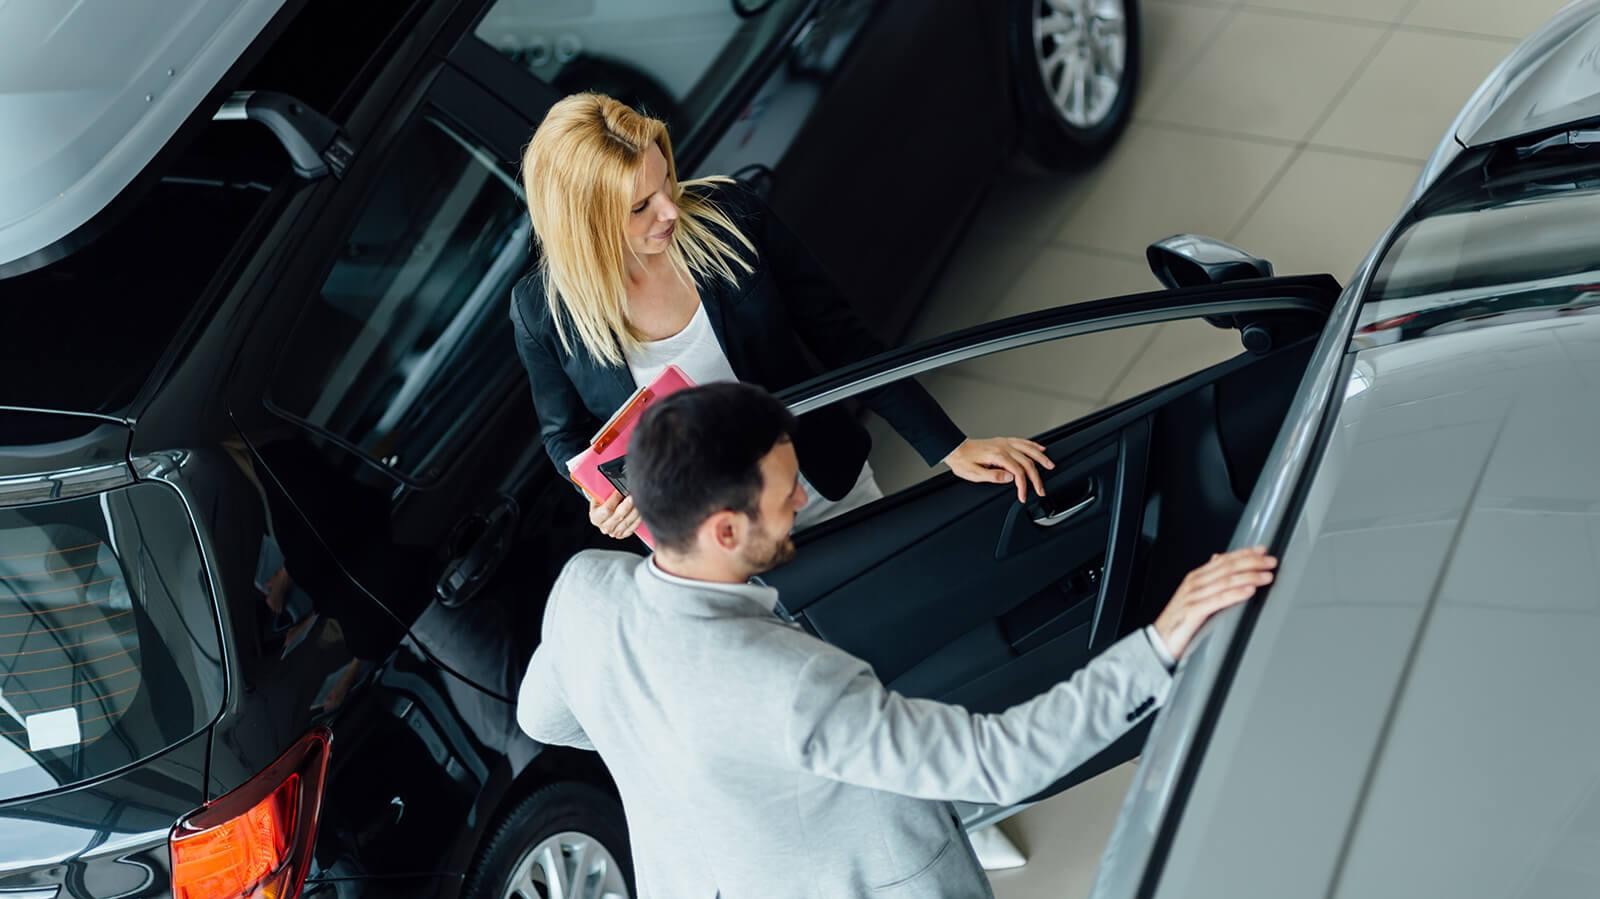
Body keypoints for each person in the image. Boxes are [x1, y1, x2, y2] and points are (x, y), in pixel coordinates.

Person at [517, 382, 1279, 899]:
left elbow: (541, 718)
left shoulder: (583, 592)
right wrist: (1160, 640)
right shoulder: (791, 687)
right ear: (724, 529)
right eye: (787, 496)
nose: (802, 503)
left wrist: (675, 748)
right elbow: (997, 759)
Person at [512, 92, 1055, 540]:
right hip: (711, 541)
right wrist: (604, 496)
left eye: (665, 184)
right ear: (584, 223)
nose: (671, 211)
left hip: (817, 482)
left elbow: (842, 337)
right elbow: (566, 437)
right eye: (640, 207)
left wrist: (949, 446)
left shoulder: (731, 218)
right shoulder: (542, 312)